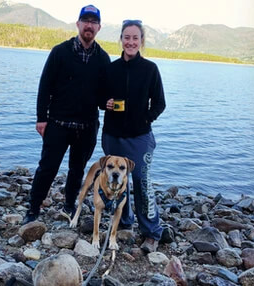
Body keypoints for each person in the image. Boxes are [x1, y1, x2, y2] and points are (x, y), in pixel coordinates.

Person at [23, 5, 110, 225]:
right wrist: (41, 118)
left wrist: (109, 103)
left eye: (93, 22)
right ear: (78, 24)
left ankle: (69, 205)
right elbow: (45, 87)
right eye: (85, 20)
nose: (89, 25)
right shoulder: (60, 52)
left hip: (87, 127)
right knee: (48, 167)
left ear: (99, 27)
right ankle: (33, 208)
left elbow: (102, 97)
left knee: (77, 170)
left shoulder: (103, 59)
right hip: (58, 124)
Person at [101, 19, 166, 253]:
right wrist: (105, 103)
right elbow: (100, 97)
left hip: (140, 136)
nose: (130, 42)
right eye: (126, 37)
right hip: (112, 135)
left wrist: (145, 118)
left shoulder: (150, 69)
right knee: (117, 180)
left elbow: (160, 103)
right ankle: (124, 222)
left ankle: (151, 232)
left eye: (135, 38)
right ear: (121, 39)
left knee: (140, 180)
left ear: (141, 41)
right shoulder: (111, 68)